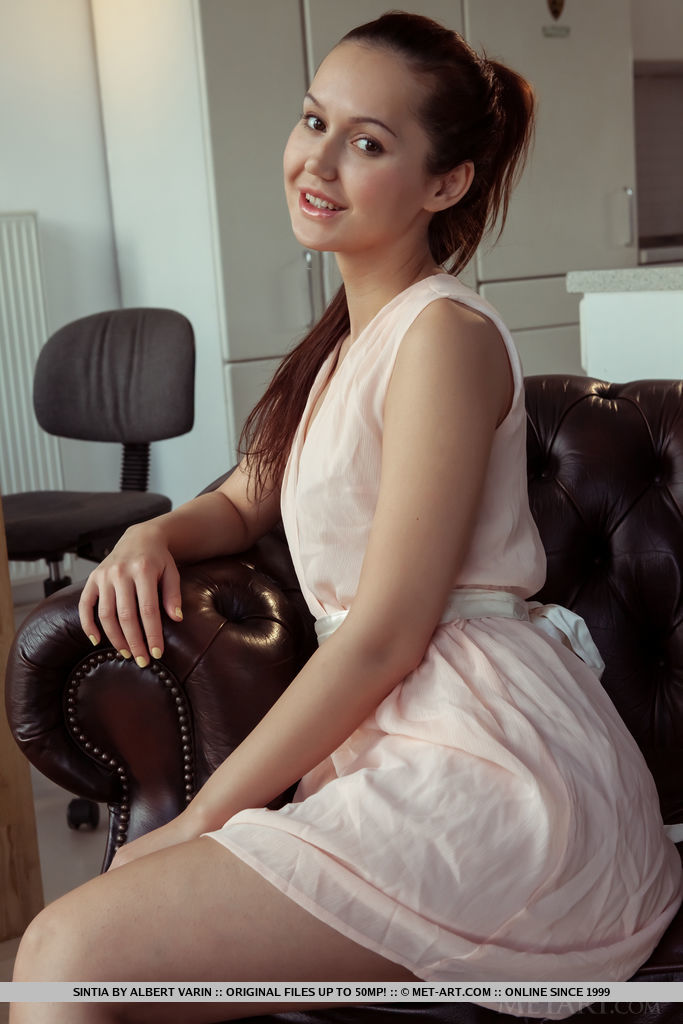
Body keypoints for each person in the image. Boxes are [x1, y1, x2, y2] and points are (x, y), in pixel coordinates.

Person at [11, 11, 682, 1023]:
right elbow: (246, 493)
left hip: (482, 759)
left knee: (64, 954)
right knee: (63, 955)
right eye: (313, 120)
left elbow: (384, 635)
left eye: (367, 143)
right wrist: (152, 533)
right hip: (404, 736)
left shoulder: (441, 334)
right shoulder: (342, 346)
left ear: (444, 184)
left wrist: (204, 816)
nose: (316, 161)